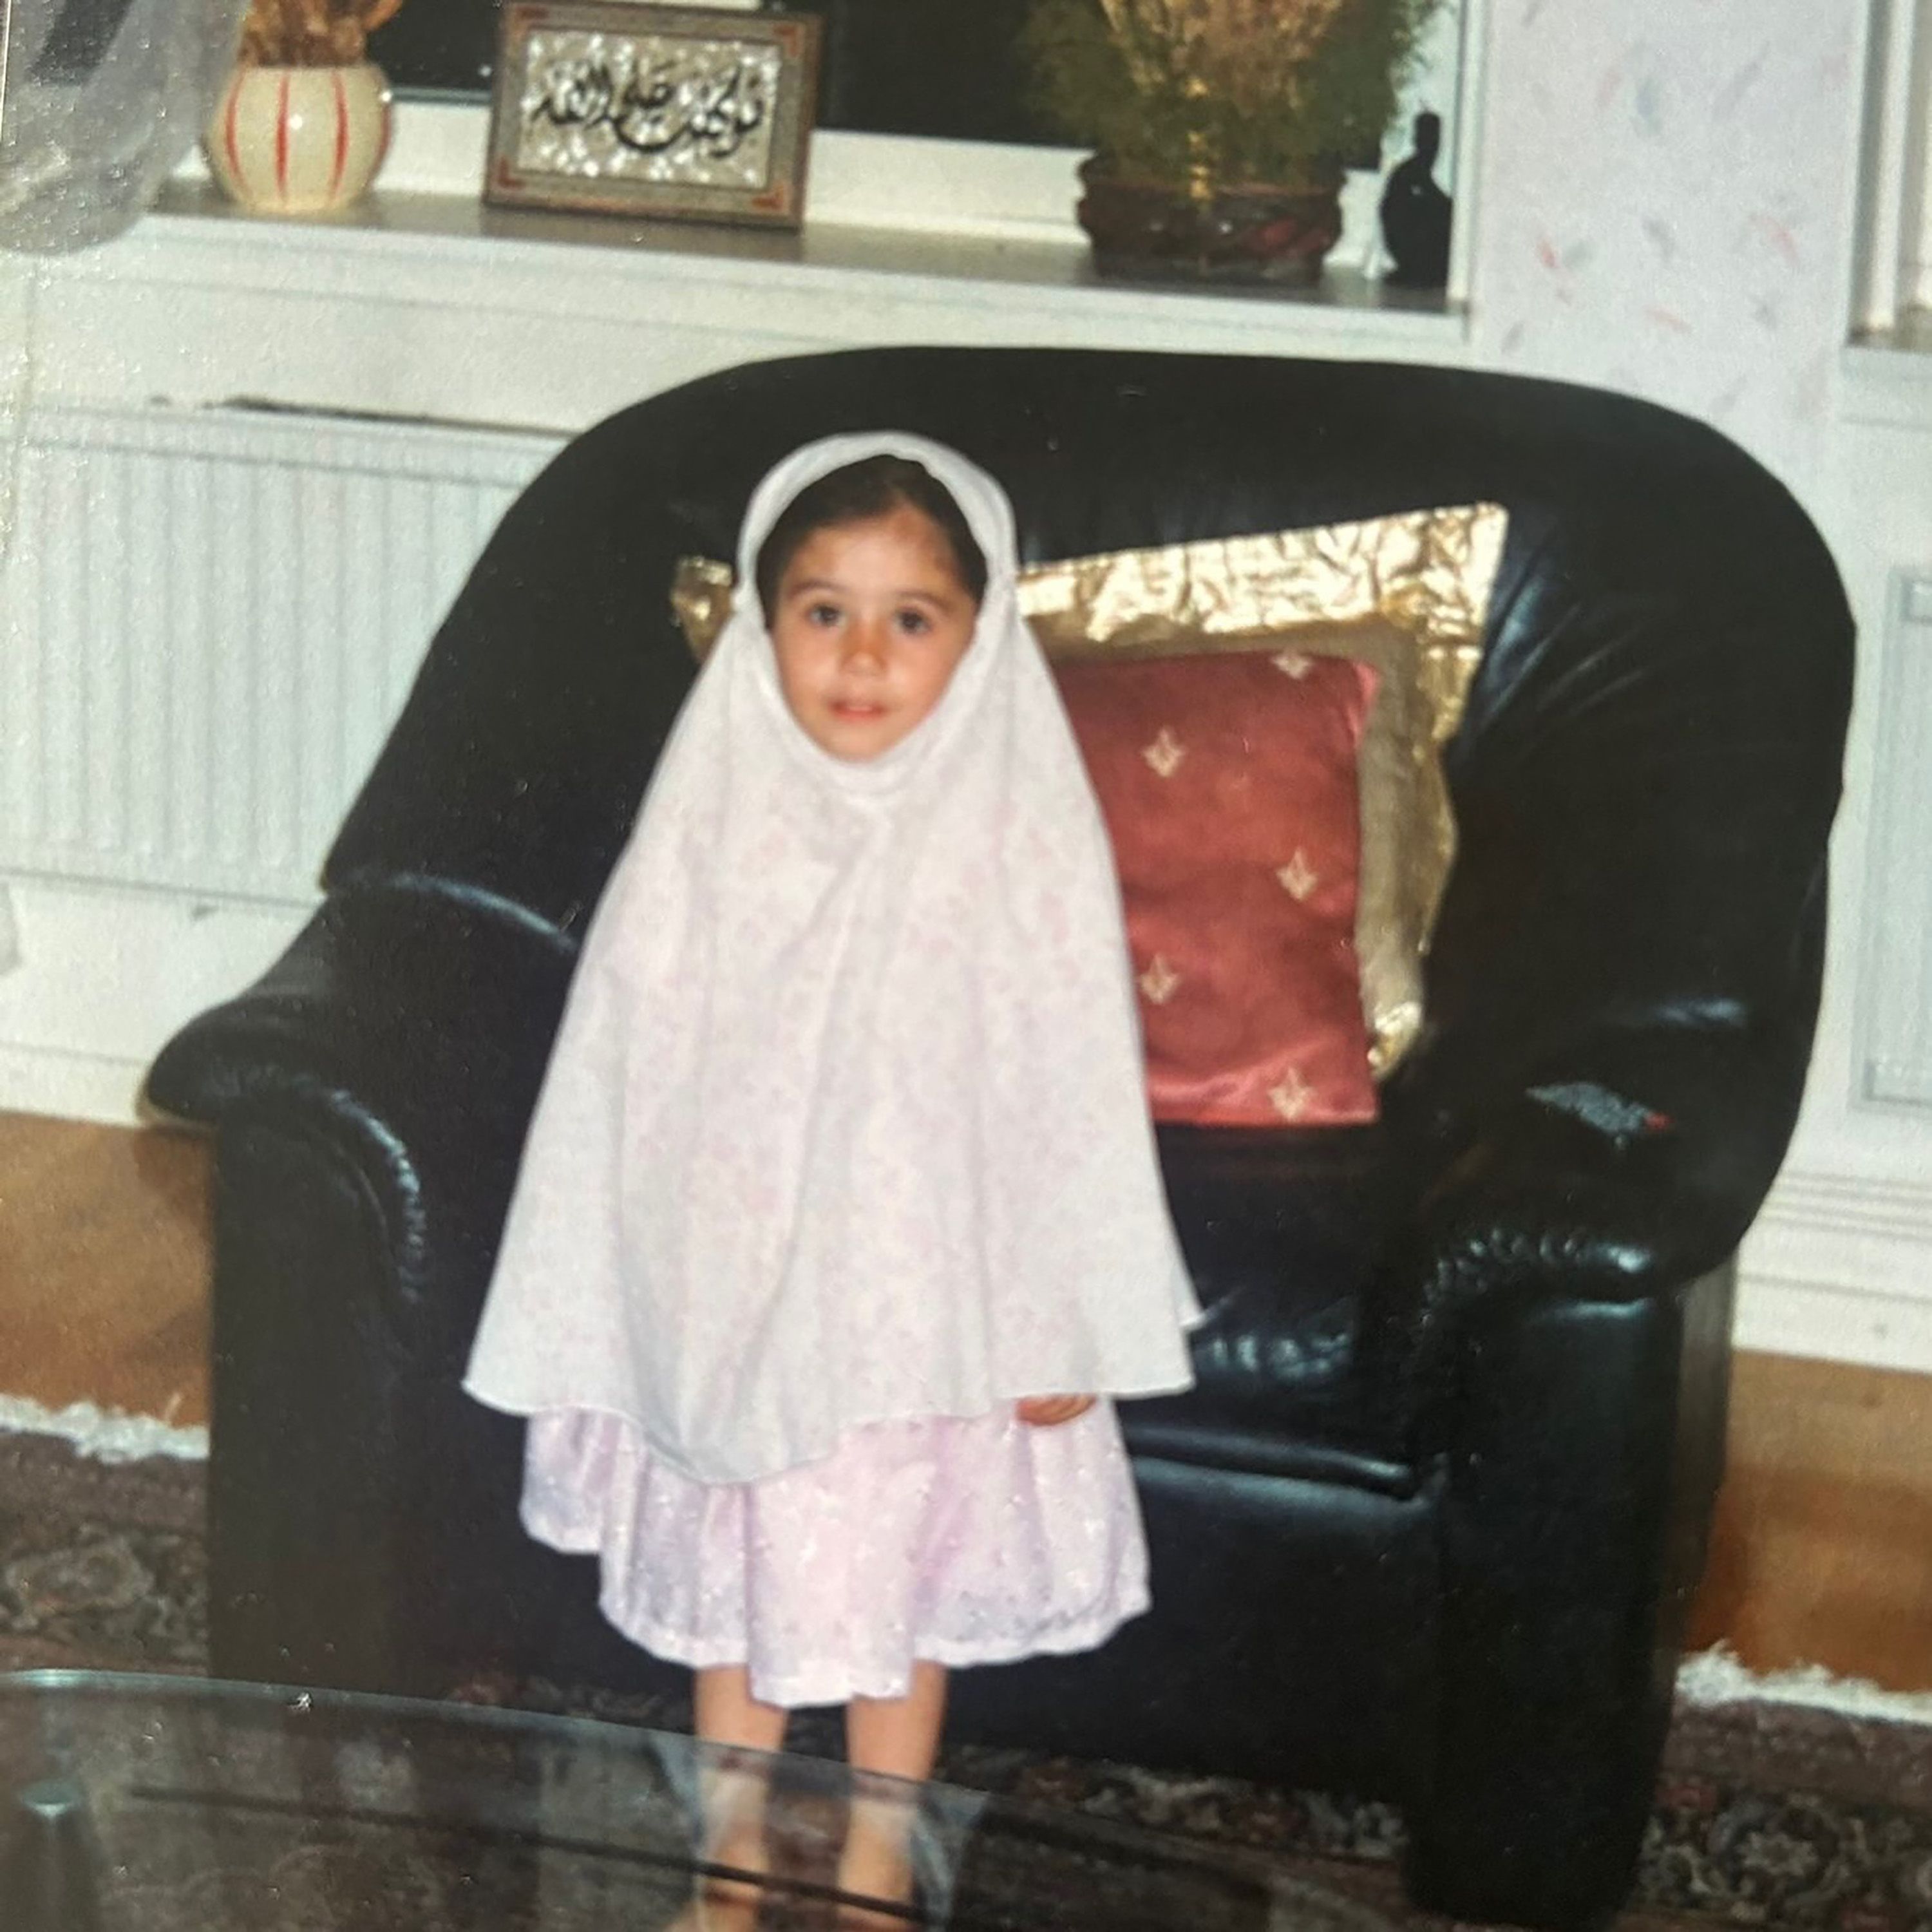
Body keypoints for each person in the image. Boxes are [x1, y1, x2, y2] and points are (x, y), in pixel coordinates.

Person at [464, 432, 1200, 1926]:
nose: (863, 655)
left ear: (978, 638)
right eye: (823, 611)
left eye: (910, 618)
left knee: (892, 1596)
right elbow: (624, 1078)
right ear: (761, 621)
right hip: (733, 1306)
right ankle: (728, 1857)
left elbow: (1070, 1095)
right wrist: (630, 1292)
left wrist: (1070, 1311)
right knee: (735, 1585)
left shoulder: (1016, 840)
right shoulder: (708, 820)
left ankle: (876, 1863)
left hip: (923, 1330)